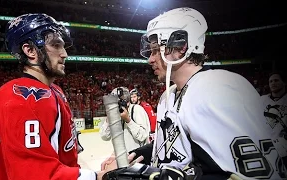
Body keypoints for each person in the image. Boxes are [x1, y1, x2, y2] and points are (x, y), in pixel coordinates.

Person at [100, 7, 283, 180]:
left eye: (156, 50)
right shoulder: (168, 96)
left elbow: (246, 173)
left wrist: (150, 176)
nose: (150, 59)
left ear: (181, 47)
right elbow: (170, 150)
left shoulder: (216, 88)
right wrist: (134, 157)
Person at [0, 13, 103, 180]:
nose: (64, 54)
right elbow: (33, 174)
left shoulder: (56, 91)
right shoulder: (17, 96)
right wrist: (98, 177)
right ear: (30, 50)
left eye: (63, 46)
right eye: (56, 45)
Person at [99, 87, 151, 153]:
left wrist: (128, 120)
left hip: (137, 157)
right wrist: (108, 119)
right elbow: (104, 137)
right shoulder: (115, 114)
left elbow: (143, 136)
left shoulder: (136, 109)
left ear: (126, 102)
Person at [261, 72, 287, 174]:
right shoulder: (262, 99)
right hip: (267, 149)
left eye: (276, 80)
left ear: (284, 83)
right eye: (270, 81)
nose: (273, 83)